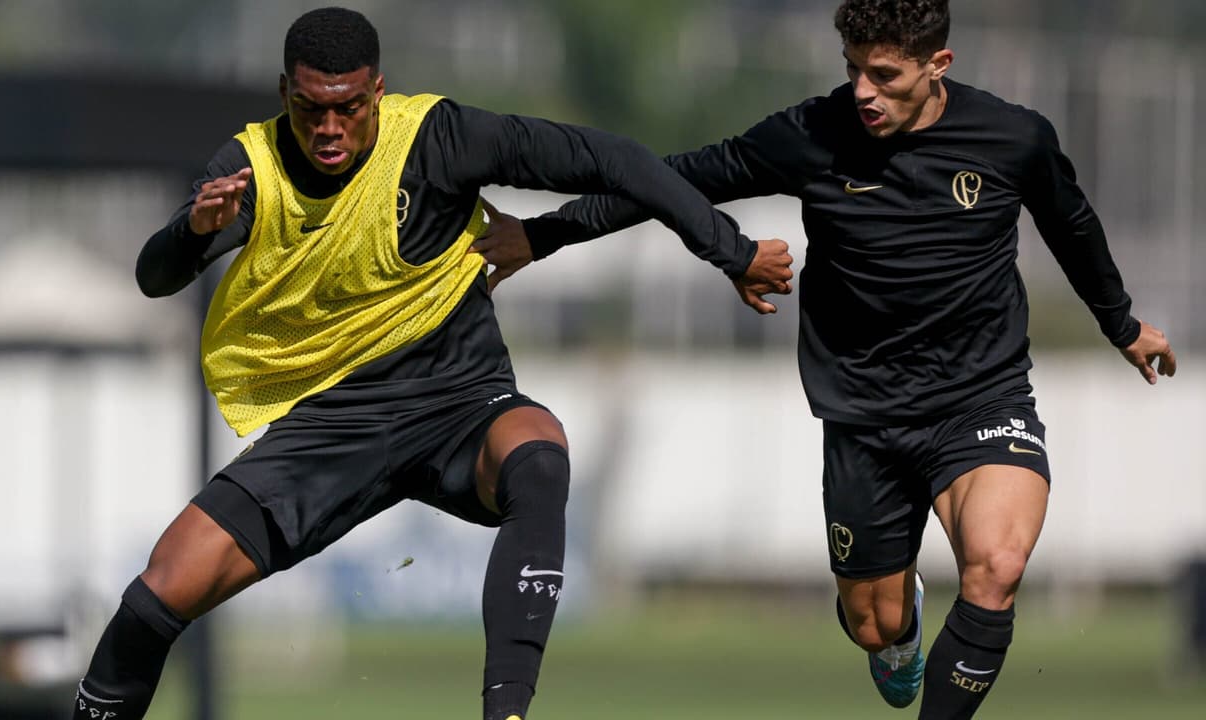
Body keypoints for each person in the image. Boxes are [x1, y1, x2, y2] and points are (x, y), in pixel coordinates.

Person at [70, 7, 794, 720]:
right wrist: (193, 232)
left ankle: (506, 712)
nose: (329, 129)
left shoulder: (441, 138)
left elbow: (618, 161)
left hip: (459, 401)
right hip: (334, 425)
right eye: (310, 109)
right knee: (164, 585)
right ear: (284, 93)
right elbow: (154, 276)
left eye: (348, 109)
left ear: (377, 93)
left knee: (540, 454)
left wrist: (728, 252)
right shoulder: (249, 167)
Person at [470, 0, 1177, 716]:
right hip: (862, 415)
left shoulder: (1013, 138)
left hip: (981, 399)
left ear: (939, 66)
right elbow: (677, 180)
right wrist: (545, 234)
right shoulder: (811, 134)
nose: (864, 90)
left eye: (884, 74)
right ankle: (898, 638)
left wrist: (1122, 326)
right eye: (852, 70)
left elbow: (1073, 226)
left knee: (997, 567)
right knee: (877, 624)